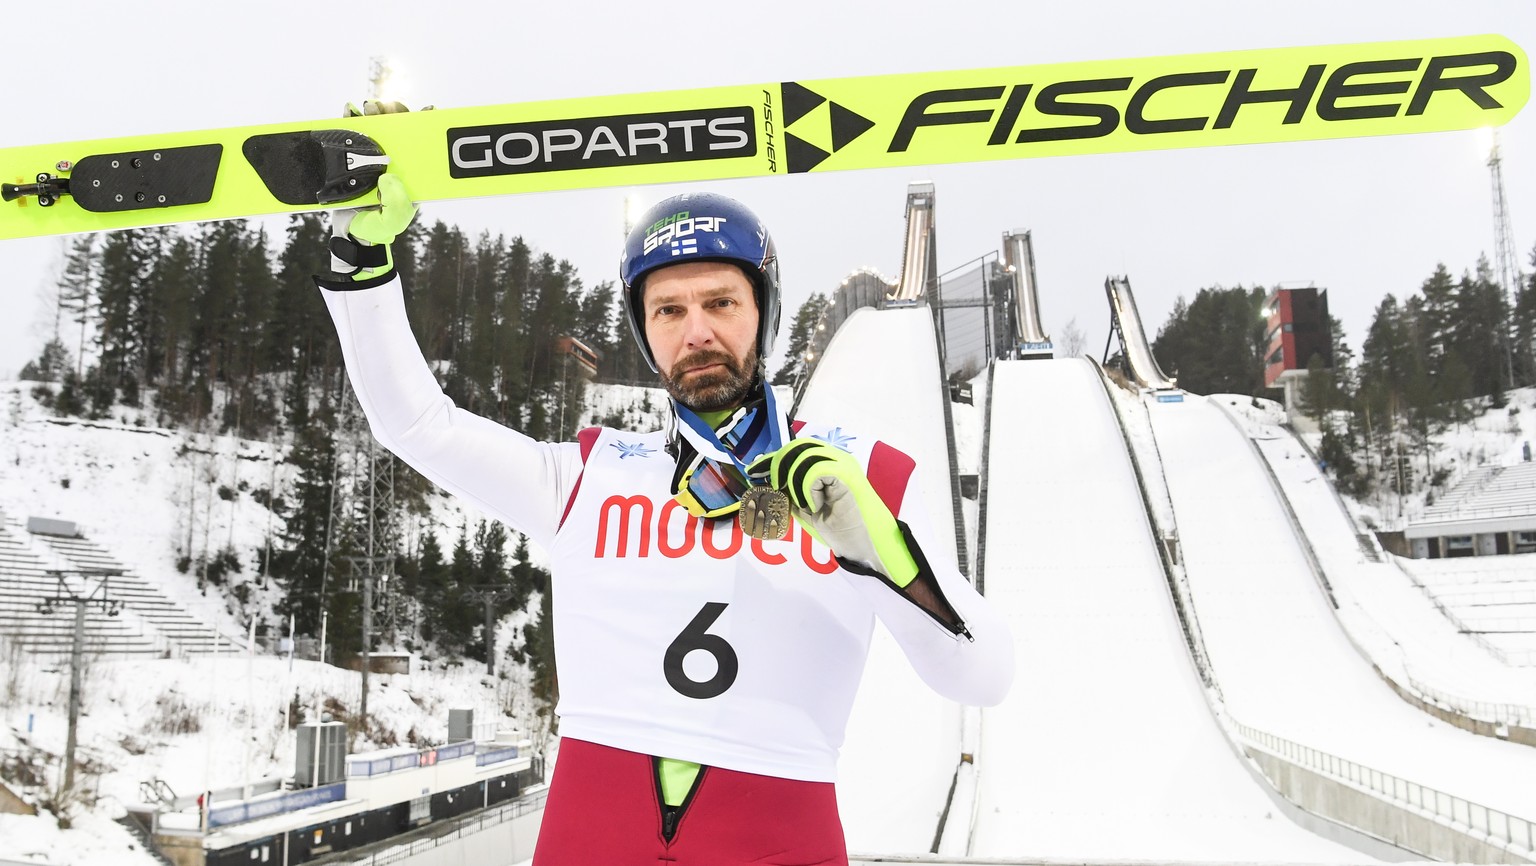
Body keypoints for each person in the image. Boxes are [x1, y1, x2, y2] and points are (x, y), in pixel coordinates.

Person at [316, 176, 1014, 865]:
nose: (697, 332)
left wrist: (879, 547)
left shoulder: (856, 478)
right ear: (646, 332)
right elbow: (416, 424)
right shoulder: (590, 475)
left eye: (721, 302)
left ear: (763, 312)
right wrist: (360, 264)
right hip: (589, 836)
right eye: (669, 311)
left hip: (776, 835)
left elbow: (982, 678)